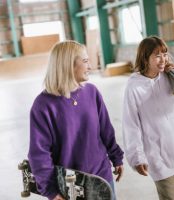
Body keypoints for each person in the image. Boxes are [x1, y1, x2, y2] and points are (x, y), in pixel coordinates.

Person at [28, 40, 124, 200]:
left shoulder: (92, 92)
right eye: (85, 61)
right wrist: (51, 191)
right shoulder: (43, 105)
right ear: (69, 65)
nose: (90, 66)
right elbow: (39, 154)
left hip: (101, 177)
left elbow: (106, 130)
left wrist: (116, 157)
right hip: (69, 184)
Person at [122, 36, 174, 200]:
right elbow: (130, 124)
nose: (163, 59)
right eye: (157, 55)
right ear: (145, 57)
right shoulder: (135, 86)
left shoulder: (172, 76)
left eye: (165, 54)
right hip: (158, 158)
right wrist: (136, 156)